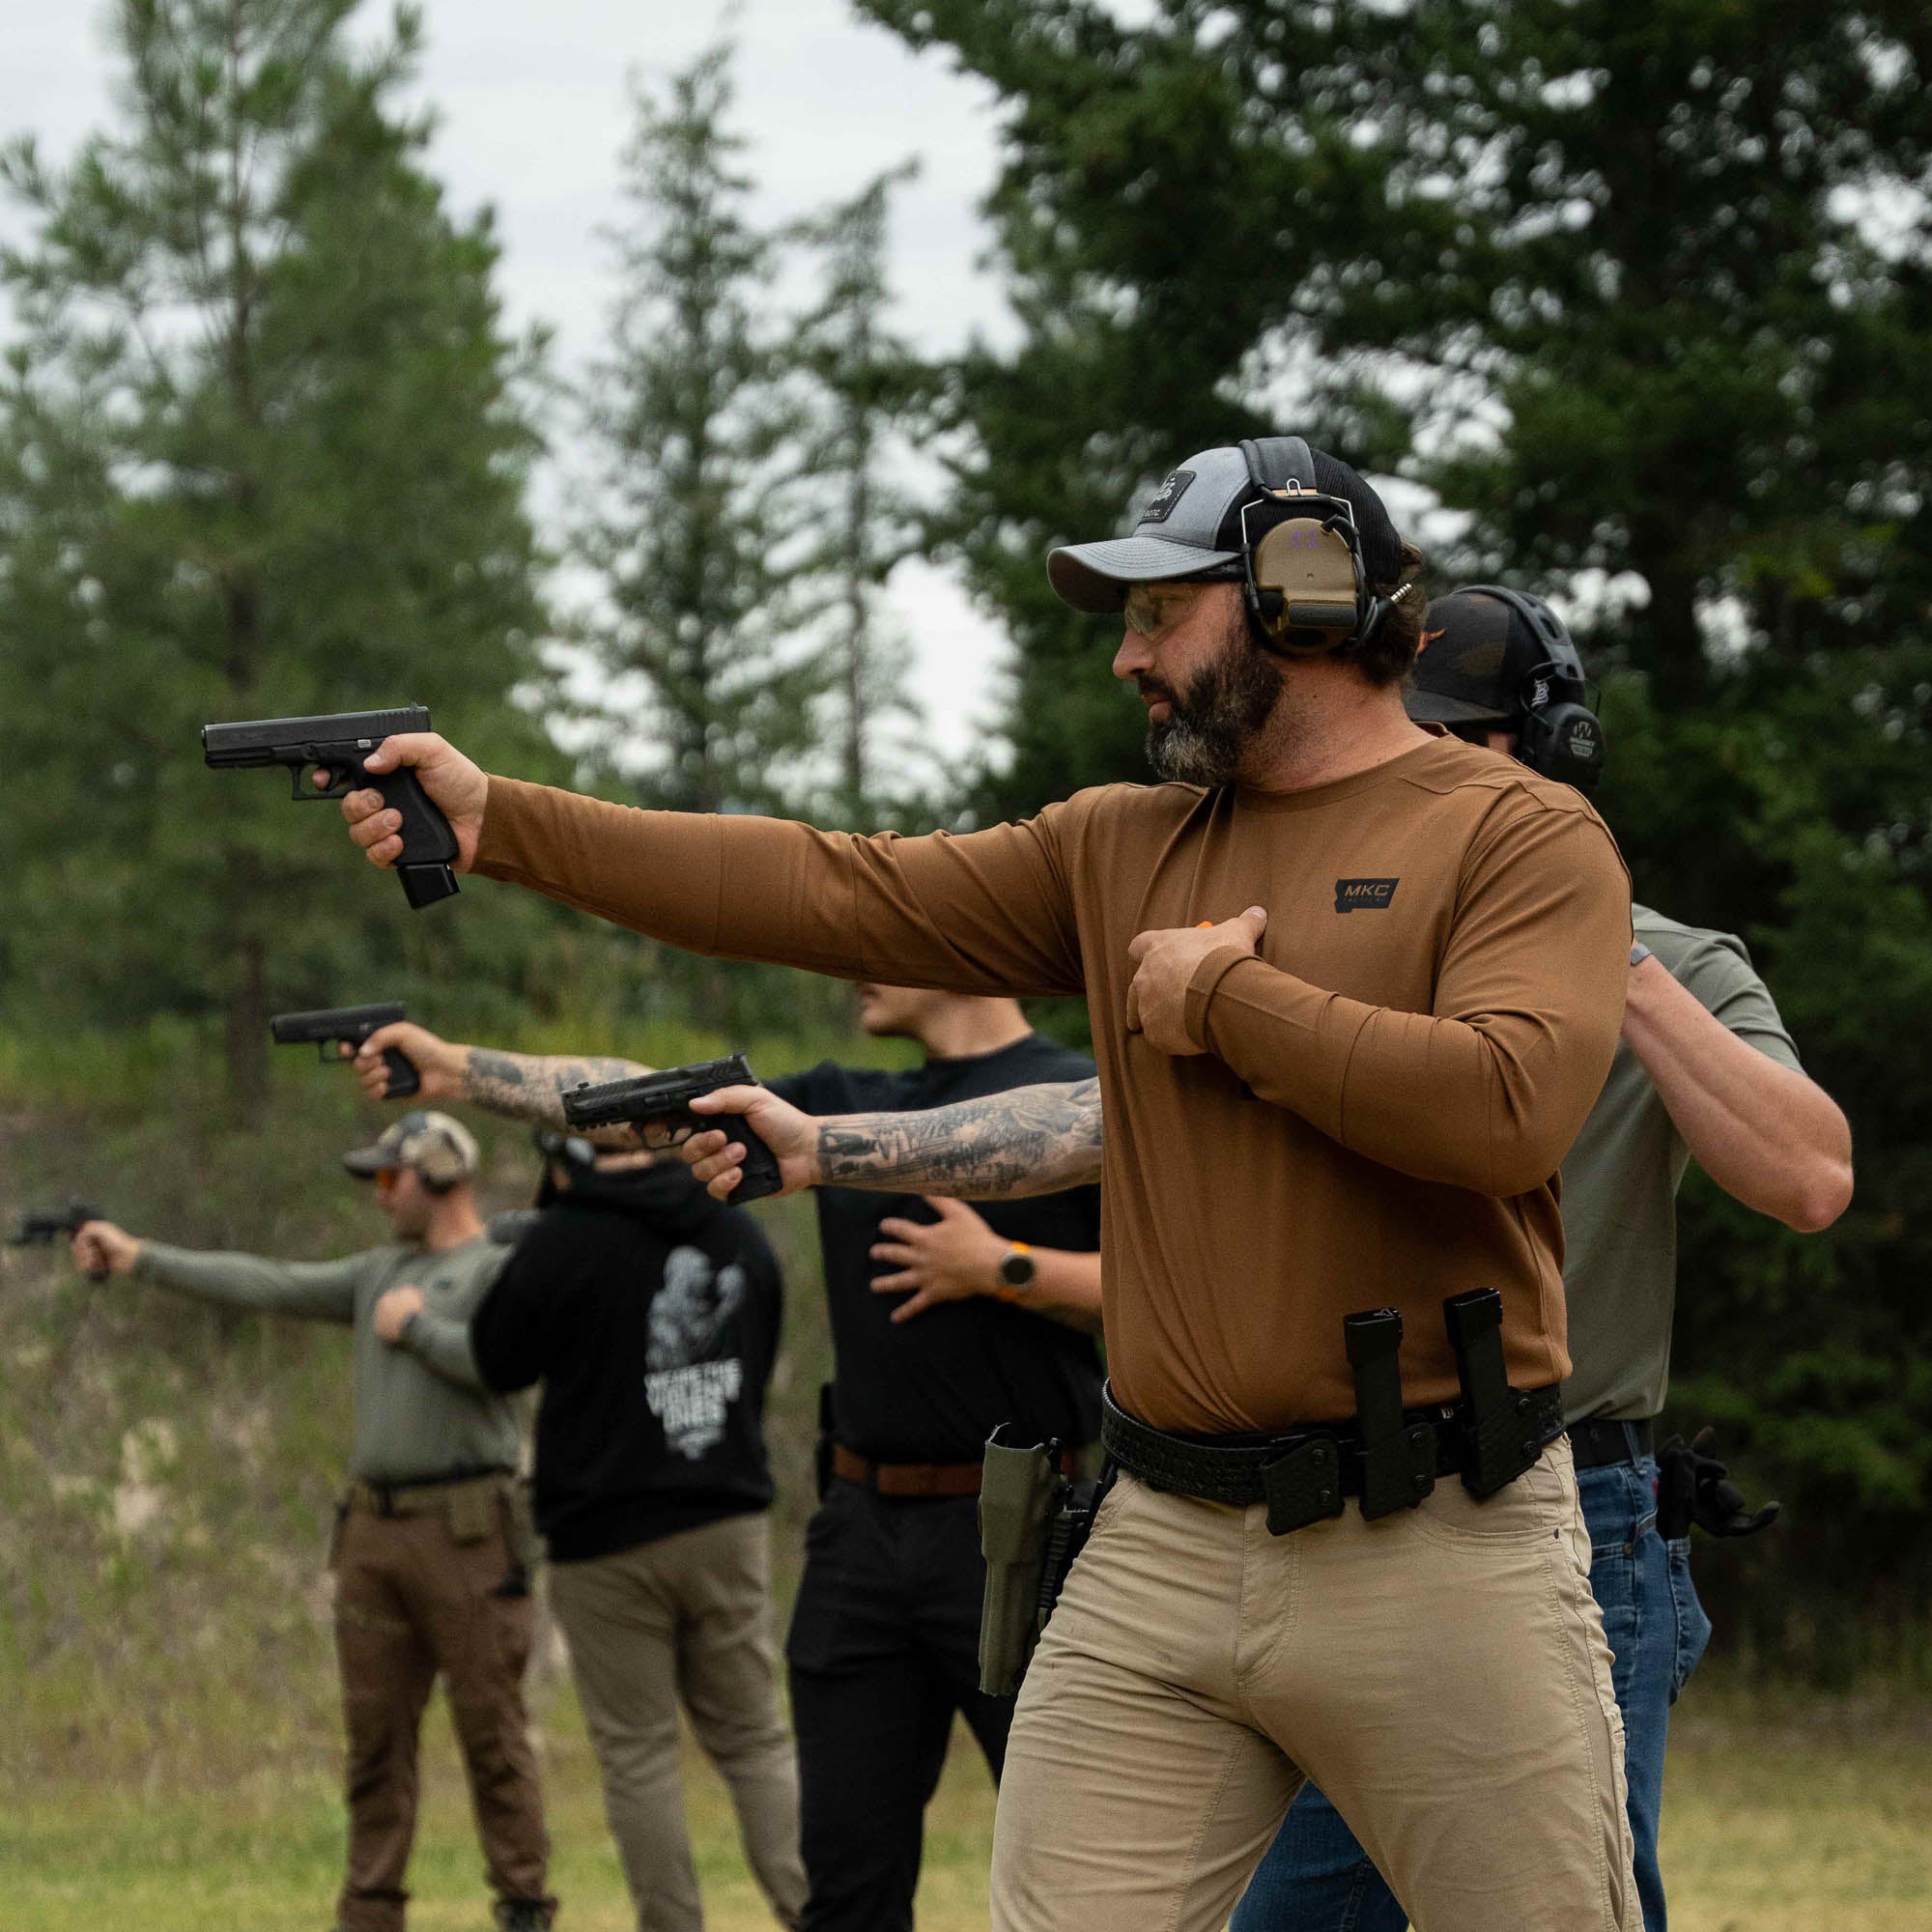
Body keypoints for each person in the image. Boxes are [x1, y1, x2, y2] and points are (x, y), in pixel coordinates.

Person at [327, 436, 1636, 1930]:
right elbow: (833, 888)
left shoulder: (1521, 833)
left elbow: (1508, 1112)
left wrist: (1229, 1003)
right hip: (1165, 1538)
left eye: (1161, 615)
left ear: (1302, 595)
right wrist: (507, 822)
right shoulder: (1120, 843)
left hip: (1443, 1548)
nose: (1132, 660)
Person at [698, 588, 1856, 1932]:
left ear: (1547, 757)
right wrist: (829, 1148)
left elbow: (1810, 1176)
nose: (1426, 766)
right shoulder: (1295, 930)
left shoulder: (1668, 962)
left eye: (1470, 740)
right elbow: (1085, 1123)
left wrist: (1617, 970)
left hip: (1557, 1503)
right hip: (1310, 1518)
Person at [346, 987, 1103, 1932]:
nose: (853, 969)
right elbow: (640, 1095)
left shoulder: (1078, 1096)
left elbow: (1168, 1292)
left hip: (1024, 1532)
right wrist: (459, 1069)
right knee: (842, 1880)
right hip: (861, 1531)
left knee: (1080, 1868)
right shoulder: (842, 1096)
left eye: (891, 938)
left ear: (963, 957)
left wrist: (1001, 1265)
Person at [71, 1112, 554, 1932]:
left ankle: (521, 1905)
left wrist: (419, 1330)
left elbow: (505, 1363)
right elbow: (268, 1282)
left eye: (389, 1178)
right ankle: (369, 1910)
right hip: (372, 1532)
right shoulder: (377, 1271)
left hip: (471, 1531)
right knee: (374, 1743)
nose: (379, 1195)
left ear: (439, 1175)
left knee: (493, 1735)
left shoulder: (502, 1266)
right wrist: (142, 1258)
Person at [398, 1129, 806, 1932]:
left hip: (604, 1534)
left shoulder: (563, 1239)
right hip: (724, 1513)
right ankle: (818, 1913)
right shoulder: (730, 1223)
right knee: (756, 1741)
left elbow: (495, 1356)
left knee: (639, 1754)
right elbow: (761, 1342)